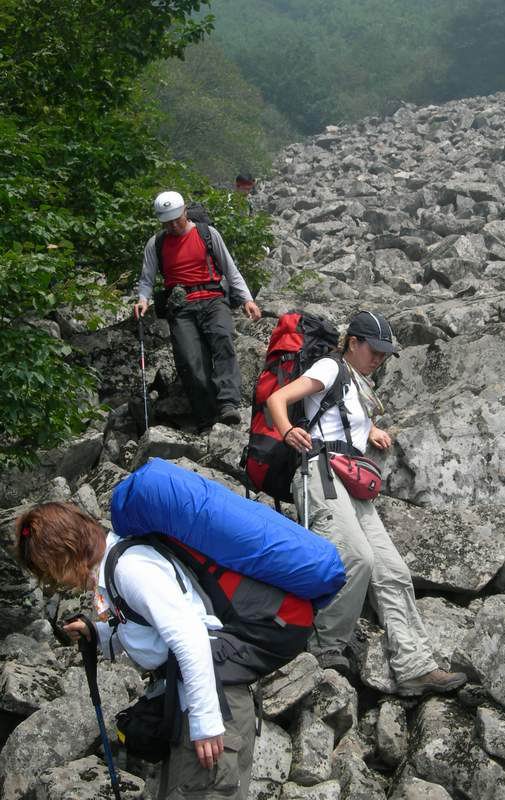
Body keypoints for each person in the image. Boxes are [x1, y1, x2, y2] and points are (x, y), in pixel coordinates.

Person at [266, 310, 467, 697]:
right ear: (353, 343)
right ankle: (325, 648)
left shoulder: (357, 384)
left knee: (393, 570)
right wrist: (288, 430)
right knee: (355, 555)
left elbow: (340, 414)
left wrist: (370, 429)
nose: (378, 359)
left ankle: (415, 667)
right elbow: (279, 398)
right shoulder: (330, 367)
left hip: (350, 478)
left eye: (384, 354)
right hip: (321, 471)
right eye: (373, 350)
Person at [15, 502, 255, 799]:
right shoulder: (114, 573)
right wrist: (97, 633)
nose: (57, 582)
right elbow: (147, 633)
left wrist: (206, 723)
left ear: (66, 551)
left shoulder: (130, 569)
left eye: (52, 570)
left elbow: (190, 635)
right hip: (188, 700)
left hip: (213, 703)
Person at [134, 191, 262, 430]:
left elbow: (230, 269)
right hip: (180, 306)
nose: (173, 226)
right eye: (167, 222)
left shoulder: (207, 234)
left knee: (223, 341)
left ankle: (228, 404)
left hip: (213, 299)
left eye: (176, 219)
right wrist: (143, 299)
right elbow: (147, 279)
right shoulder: (156, 243)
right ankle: (205, 416)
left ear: (185, 211)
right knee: (190, 360)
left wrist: (247, 299)